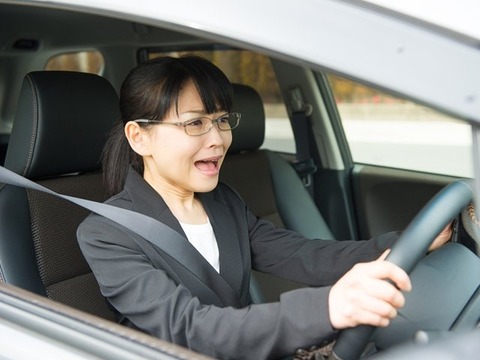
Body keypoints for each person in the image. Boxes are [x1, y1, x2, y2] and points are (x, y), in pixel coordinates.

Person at [76, 55, 451, 360]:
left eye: (222, 120)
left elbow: (305, 255)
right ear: (139, 137)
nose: (218, 139)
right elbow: (188, 328)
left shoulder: (224, 202)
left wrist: (404, 244)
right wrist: (327, 308)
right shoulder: (106, 233)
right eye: (195, 124)